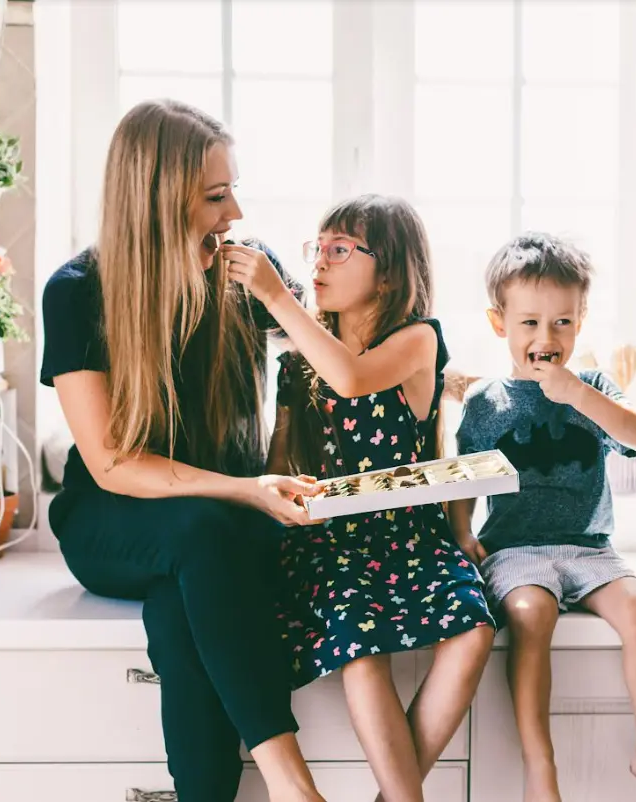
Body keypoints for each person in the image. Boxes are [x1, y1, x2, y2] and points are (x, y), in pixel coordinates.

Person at [41, 99, 327, 802]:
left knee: (182, 599)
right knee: (200, 534)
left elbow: (334, 373)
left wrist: (284, 300)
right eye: (215, 196)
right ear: (159, 200)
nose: (234, 213)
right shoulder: (78, 294)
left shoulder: (245, 275)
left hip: (217, 538)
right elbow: (111, 463)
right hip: (113, 522)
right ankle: (295, 787)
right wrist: (245, 487)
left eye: (232, 190)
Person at [220, 194, 495, 802]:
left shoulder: (418, 339)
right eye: (316, 249)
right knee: (360, 645)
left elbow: (352, 375)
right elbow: (282, 461)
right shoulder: (302, 362)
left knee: (475, 628)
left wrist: (274, 294)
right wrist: (273, 509)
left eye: (340, 250)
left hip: (411, 536)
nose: (320, 263)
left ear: (390, 271)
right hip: (333, 543)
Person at [449, 233, 636, 802]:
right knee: (531, 614)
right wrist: (461, 532)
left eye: (562, 322)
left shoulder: (595, 389)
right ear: (498, 323)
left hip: (589, 547)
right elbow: (464, 474)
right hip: (516, 548)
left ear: (580, 322)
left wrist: (578, 395)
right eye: (529, 322)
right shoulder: (487, 401)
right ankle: (541, 768)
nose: (545, 338)